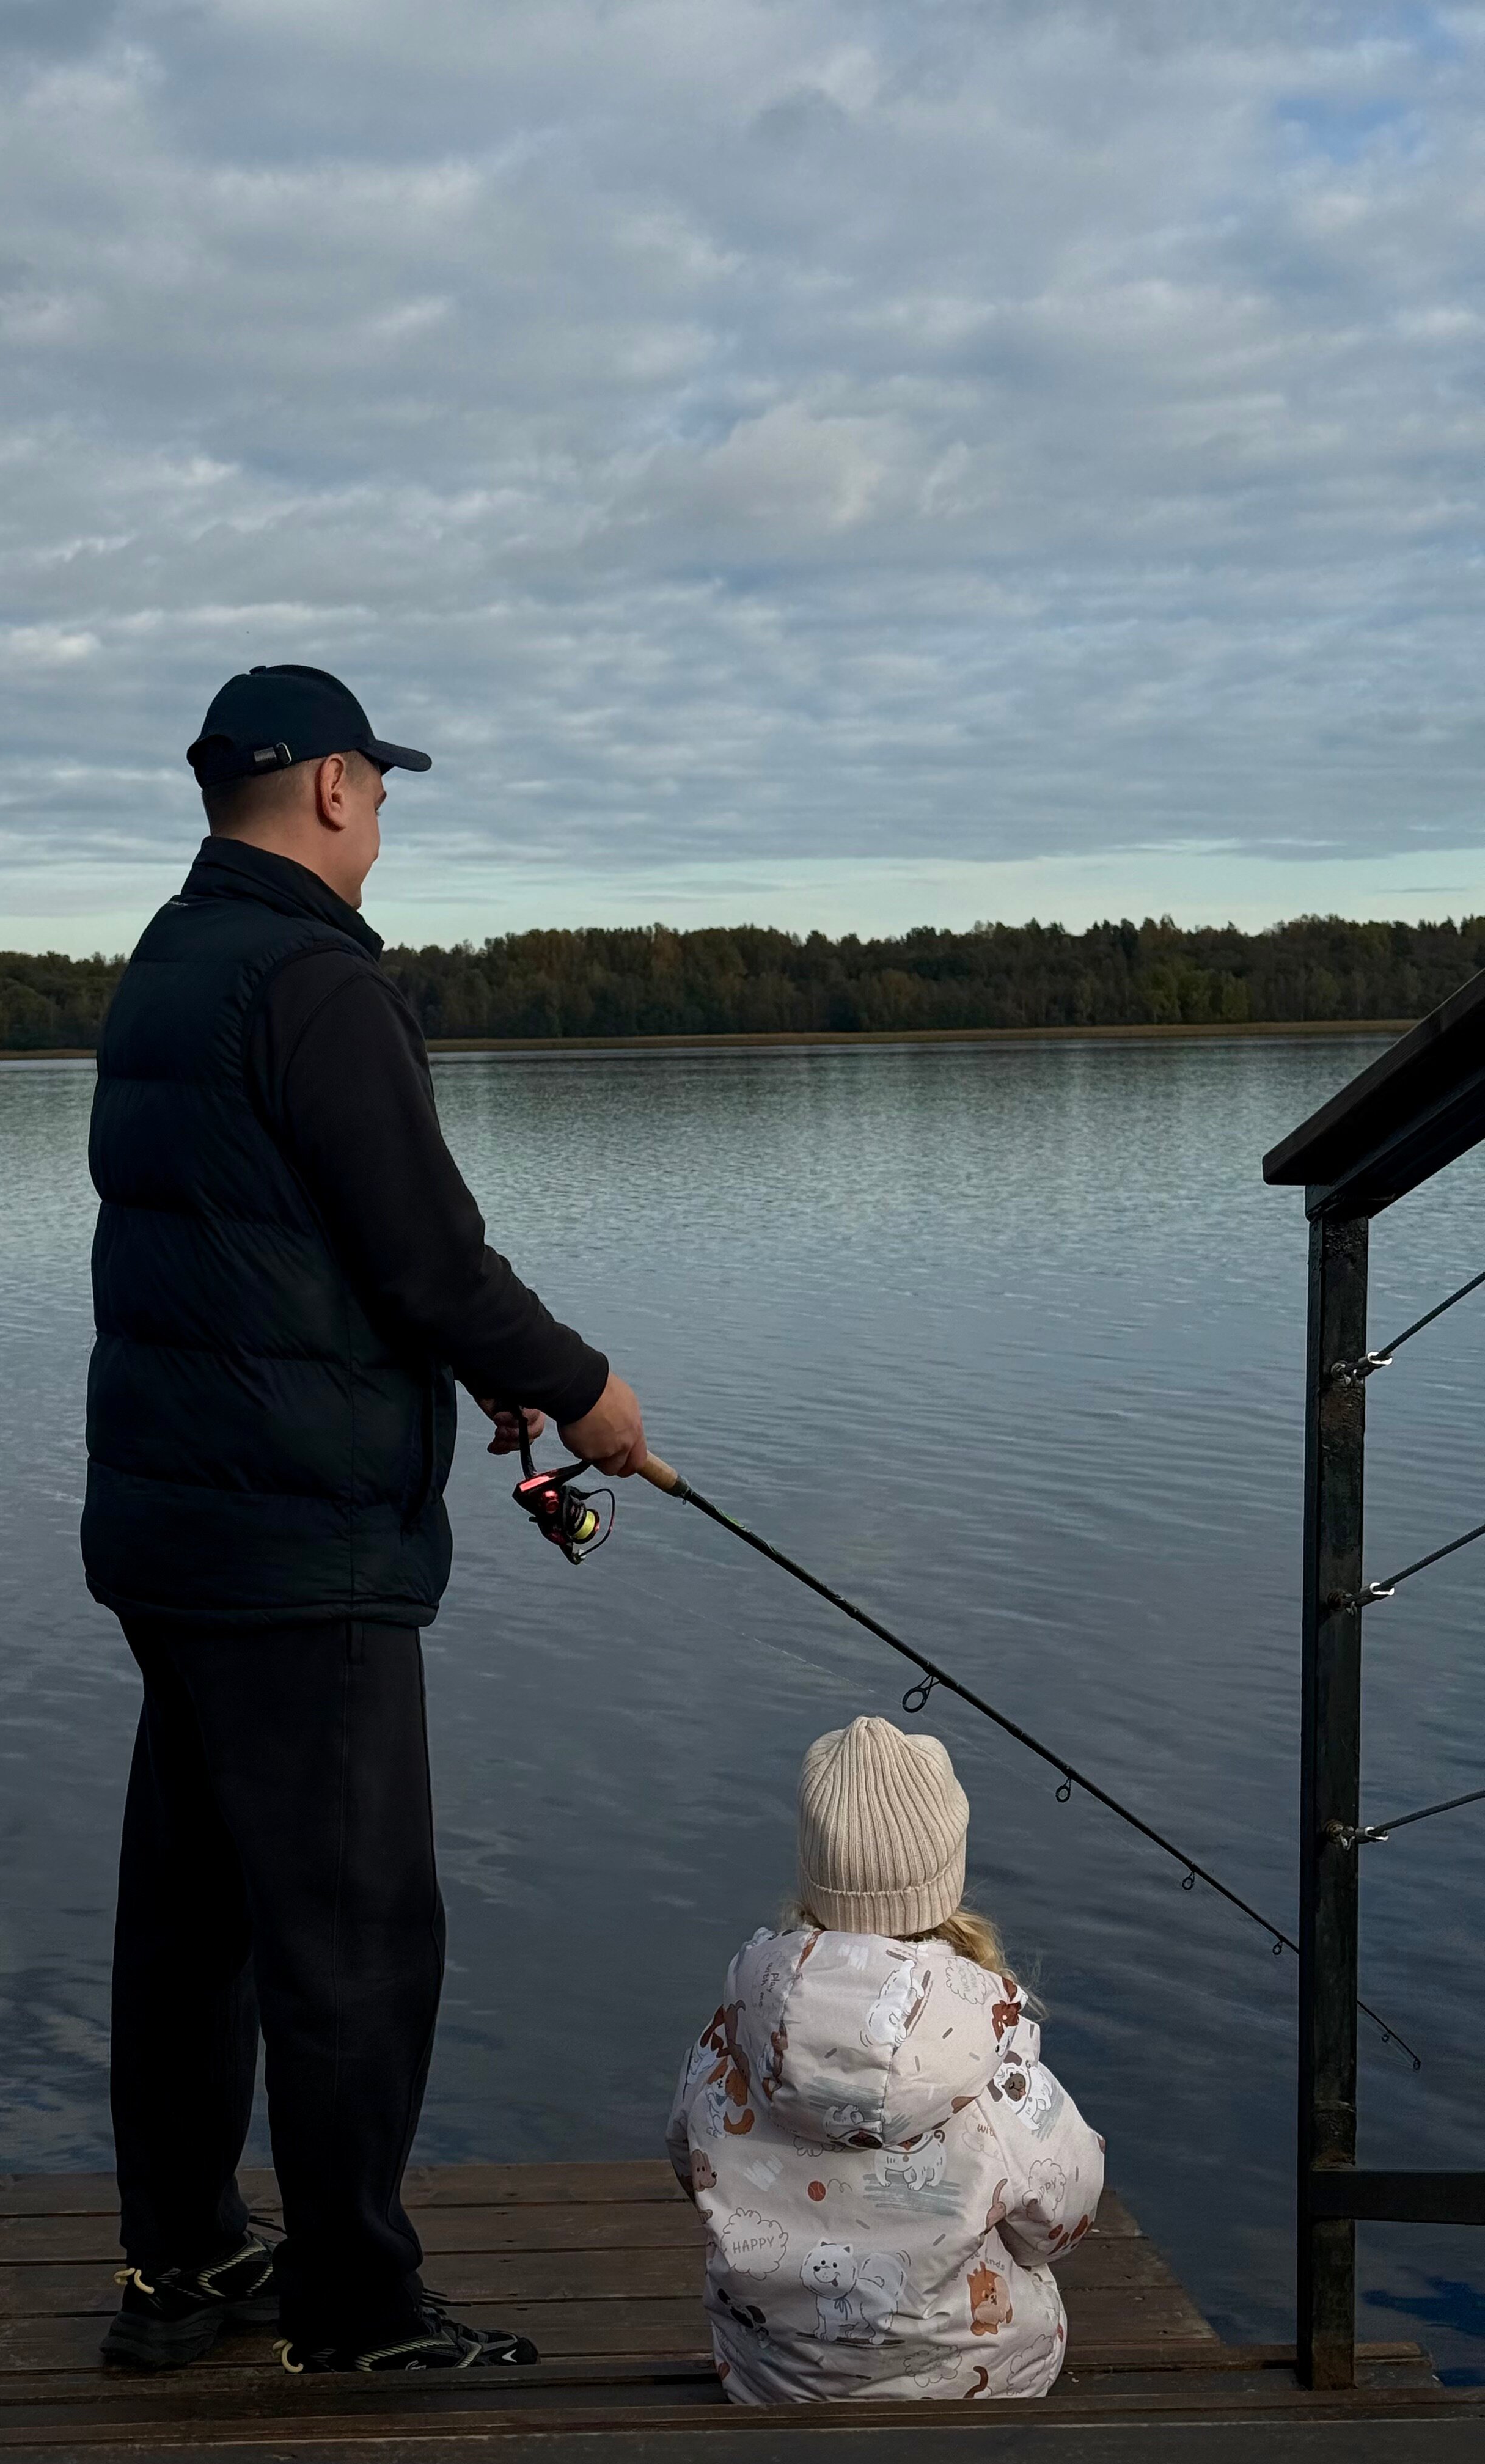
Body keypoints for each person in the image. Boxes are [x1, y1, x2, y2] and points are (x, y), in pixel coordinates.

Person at [84, 663, 648, 2374]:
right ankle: (355, 2310)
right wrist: (583, 1392)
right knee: (355, 1939)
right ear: (331, 787)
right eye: (381, 793)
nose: (384, 822)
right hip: (301, 1544)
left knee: (196, 1926)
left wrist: (458, 1367)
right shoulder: (316, 981)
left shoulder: (172, 963)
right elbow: (430, 1257)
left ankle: (185, 2263)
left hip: (174, 1530)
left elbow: (290, 1244)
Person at [666, 1716, 1104, 2404]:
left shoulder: (733, 2037)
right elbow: (1064, 2218)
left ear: (812, 1873)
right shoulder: (994, 2062)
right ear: (948, 1875)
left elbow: (689, 2162)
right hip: (979, 2389)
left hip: (774, 2385)